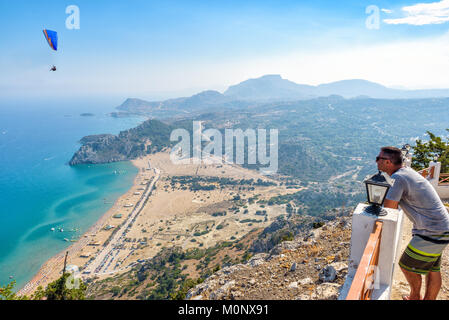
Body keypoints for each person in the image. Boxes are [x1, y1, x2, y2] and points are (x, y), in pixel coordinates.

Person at [377, 146, 449, 300]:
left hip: (432, 230)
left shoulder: (398, 178)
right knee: (433, 269)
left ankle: (414, 297)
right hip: (442, 227)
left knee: (406, 265)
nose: (376, 161)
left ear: (388, 162)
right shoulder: (406, 173)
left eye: (379, 158)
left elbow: (389, 208)